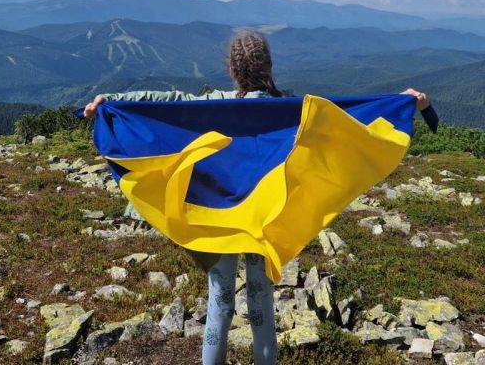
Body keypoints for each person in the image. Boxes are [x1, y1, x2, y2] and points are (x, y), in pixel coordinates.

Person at [83, 30, 430, 365]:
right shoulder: (290, 111)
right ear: (269, 67)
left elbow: (172, 101)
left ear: (232, 69)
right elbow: (346, 116)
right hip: (266, 219)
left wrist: (110, 104)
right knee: (261, 301)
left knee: (219, 299)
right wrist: (401, 103)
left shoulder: (214, 105)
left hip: (220, 218)